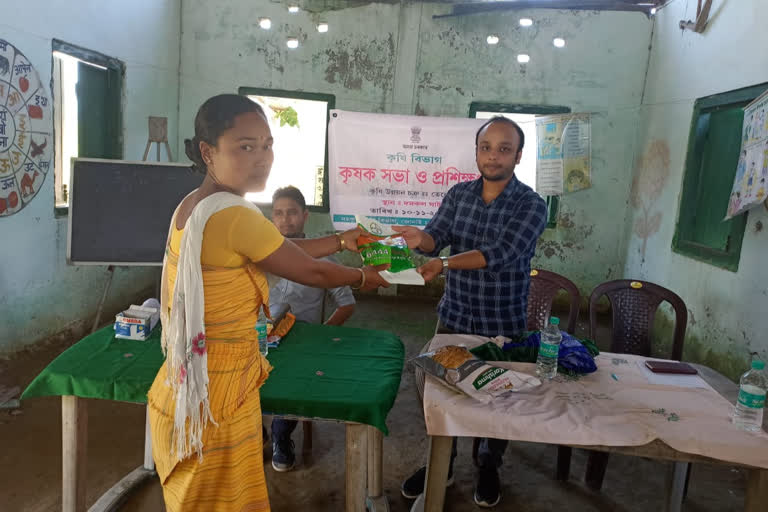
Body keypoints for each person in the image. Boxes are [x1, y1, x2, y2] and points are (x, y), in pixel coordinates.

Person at [147, 94, 389, 512]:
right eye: (245, 146)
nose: (262, 158)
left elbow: (281, 249)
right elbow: (310, 271)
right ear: (208, 152)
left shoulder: (193, 204)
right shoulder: (234, 215)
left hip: (188, 381)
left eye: (268, 144)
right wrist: (367, 276)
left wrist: (340, 241)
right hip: (220, 391)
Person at [393, 116, 547, 508]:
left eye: (503, 148)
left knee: (496, 399)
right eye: (486, 147)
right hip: (455, 317)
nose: (493, 156)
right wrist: (420, 238)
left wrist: (443, 264)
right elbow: (435, 239)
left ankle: (488, 465)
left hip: (502, 323)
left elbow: (503, 254)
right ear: (476, 151)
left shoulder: (531, 205)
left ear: (518, 155)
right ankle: (440, 466)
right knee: (439, 394)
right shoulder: (459, 194)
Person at [268, 185, 357, 472]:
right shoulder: (259, 255)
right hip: (259, 337)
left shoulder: (323, 258)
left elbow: (346, 304)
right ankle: (251, 432)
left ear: (305, 216)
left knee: (292, 380)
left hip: (301, 342)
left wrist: (321, 335)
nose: (285, 220)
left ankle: (281, 437)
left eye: (292, 212)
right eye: (278, 213)